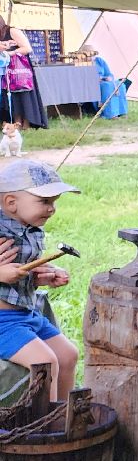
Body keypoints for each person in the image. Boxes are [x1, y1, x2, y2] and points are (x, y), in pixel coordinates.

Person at [0, 160, 78, 403]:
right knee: (45, 363)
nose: (52, 209)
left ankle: (61, 416)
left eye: (54, 202)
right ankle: (42, 428)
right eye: (45, 202)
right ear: (11, 202)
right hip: (3, 322)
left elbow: (27, 270)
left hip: (26, 314)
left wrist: (45, 274)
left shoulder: (32, 229)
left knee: (67, 355)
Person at [0, 17, 46, 130]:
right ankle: (16, 124)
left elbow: (27, 48)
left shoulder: (12, 31)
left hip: (20, 72)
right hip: (6, 73)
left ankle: (27, 124)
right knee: (12, 99)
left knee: (24, 98)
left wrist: (11, 53)